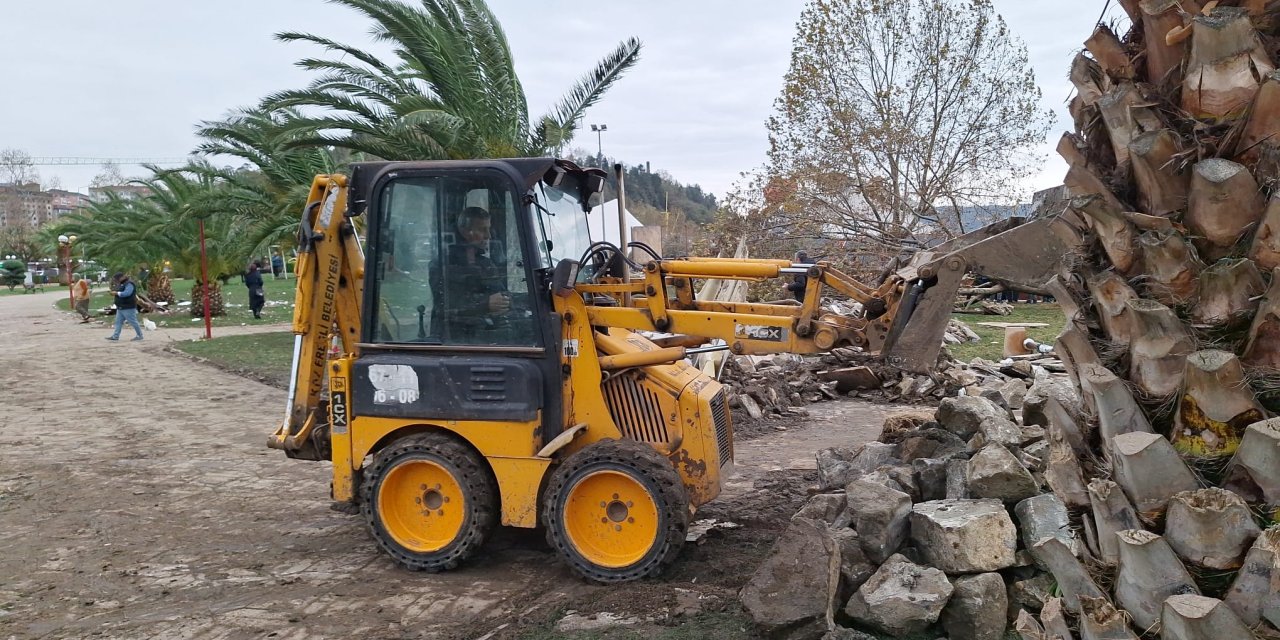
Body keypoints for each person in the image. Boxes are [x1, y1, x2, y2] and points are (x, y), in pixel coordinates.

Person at [429, 207, 510, 342]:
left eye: (489, 229)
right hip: (453, 340)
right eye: (482, 230)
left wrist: (508, 301)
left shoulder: (485, 263)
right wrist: (485, 304)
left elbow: (500, 292)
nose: (488, 236)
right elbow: (444, 306)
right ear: (465, 231)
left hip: (483, 333)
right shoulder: (442, 265)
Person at [106, 272, 143, 341]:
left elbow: (127, 293)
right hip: (120, 307)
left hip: (128, 306)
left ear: (121, 277)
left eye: (117, 279)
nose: (117, 281)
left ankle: (139, 335)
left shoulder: (129, 284)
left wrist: (116, 293)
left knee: (133, 321)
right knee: (118, 322)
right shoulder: (122, 284)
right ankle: (115, 336)